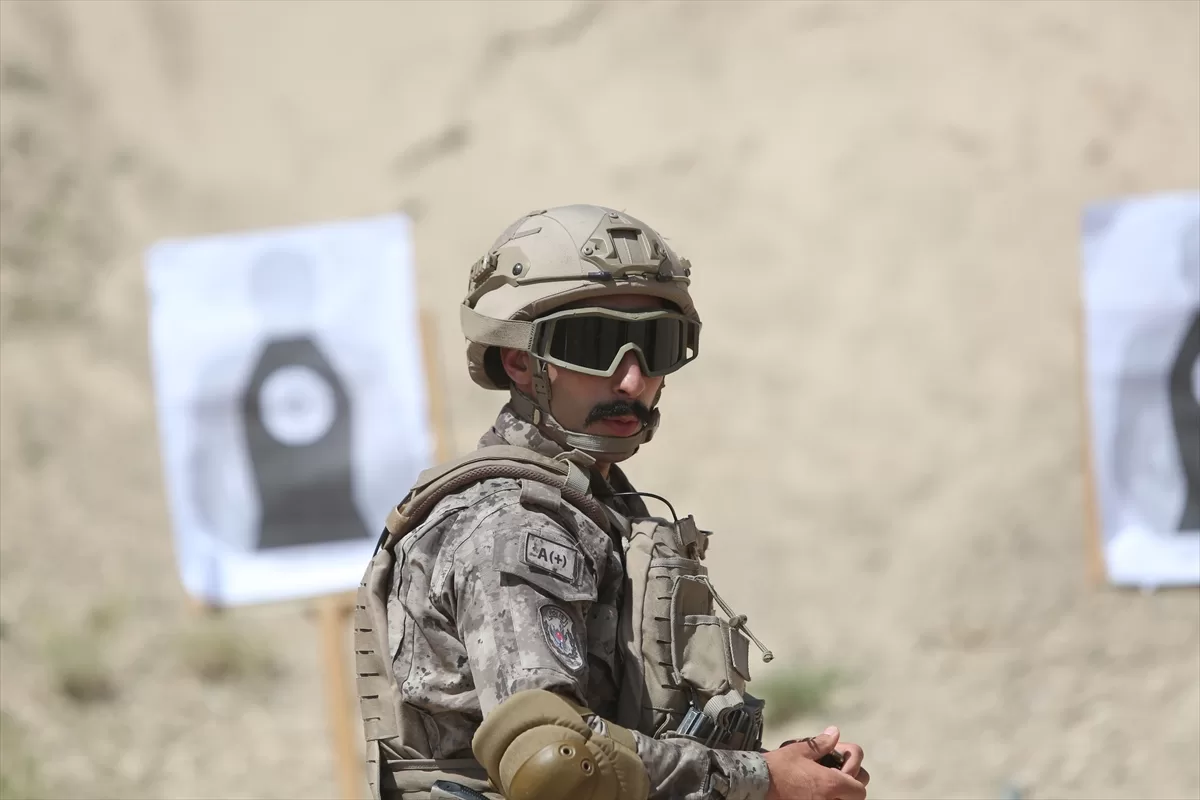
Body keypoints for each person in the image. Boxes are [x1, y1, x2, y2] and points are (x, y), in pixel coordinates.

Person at [353, 205, 871, 800]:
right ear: (520, 360)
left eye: (655, 345)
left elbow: (618, 740)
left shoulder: (598, 509)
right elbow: (555, 764)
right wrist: (761, 781)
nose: (632, 381)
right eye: (594, 344)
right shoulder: (513, 525)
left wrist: (788, 769)